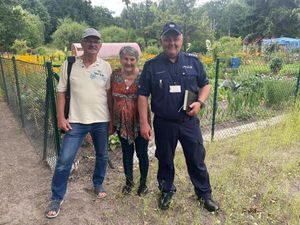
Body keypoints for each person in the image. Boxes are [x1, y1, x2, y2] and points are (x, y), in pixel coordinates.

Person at [138, 22, 219, 212]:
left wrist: (199, 102)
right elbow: (142, 95)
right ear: (162, 40)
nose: (171, 42)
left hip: (188, 122)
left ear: (181, 39)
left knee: (197, 158)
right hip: (164, 123)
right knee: (165, 158)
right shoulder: (151, 66)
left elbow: (205, 85)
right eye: (167, 39)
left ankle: (204, 194)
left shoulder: (193, 62)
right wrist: (144, 122)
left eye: (175, 38)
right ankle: (166, 190)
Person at [45, 28, 112, 218]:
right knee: (64, 160)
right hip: (76, 121)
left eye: (96, 41)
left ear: (100, 46)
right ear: (81, 44)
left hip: (101, 120)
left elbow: (108, 95)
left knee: (102, 155)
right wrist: (61, 118)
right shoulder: (70, 63)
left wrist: (111, 120)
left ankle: (98, 183)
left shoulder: (105, 67)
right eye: (88, 41)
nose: (92, 44)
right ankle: (57, 197)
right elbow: (61, 93)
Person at [111, 46, 149, 196]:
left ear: (136, 60)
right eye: (125, 59)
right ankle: (129, 182)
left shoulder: (143, 76)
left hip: (141, 122)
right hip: (122, 122)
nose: (128, 62)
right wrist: (111, 121)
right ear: (120, 59)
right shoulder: (114, 76)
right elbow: (109, 98)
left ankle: (143, 183)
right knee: (127, 153)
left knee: (142, 153)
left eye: (132, 59)